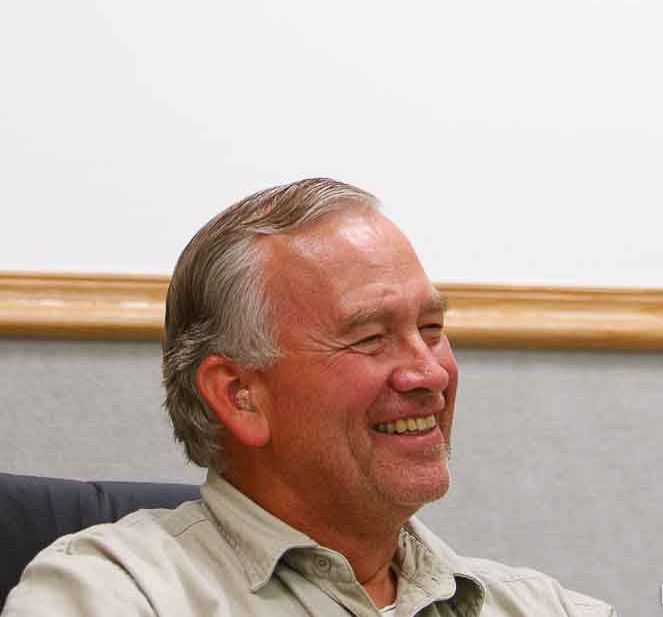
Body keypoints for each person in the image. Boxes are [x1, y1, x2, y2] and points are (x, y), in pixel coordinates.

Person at [5, 178, 616, 615]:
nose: (428, 373)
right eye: (372, 338)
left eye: (432, 330)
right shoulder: (113, 594)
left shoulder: (543, 605)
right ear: (240, 394)